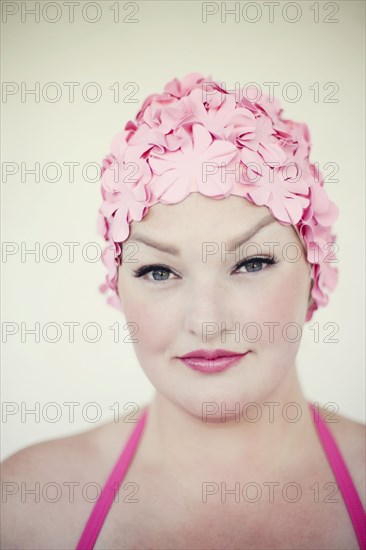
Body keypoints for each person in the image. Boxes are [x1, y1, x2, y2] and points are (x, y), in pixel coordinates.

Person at [1, 73, 365, 550]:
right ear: (117, 285)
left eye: (252, 262)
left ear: (315, 271)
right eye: (158, 271)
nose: (207, 321)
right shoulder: (28, 503)